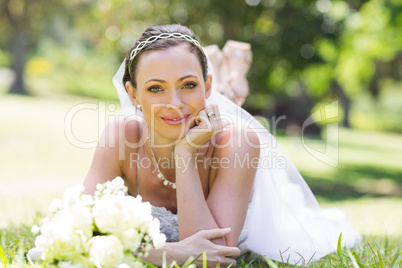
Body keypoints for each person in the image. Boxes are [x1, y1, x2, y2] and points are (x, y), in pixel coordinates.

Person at [84, 24, 361, 267]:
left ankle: (232, 82)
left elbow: (213, 259)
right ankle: (229, 80)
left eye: (188, 84)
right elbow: (80, 226)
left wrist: (185, 155)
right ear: (133, 94)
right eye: (156, 88)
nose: (175, 102)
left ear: (206, 87)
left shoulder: (239, 142)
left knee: (223, 120)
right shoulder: (122, 136)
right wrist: (165, 254)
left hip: (223, 140)